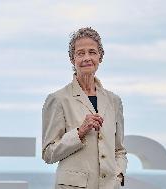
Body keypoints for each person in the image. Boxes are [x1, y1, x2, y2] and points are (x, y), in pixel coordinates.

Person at [42, 27, 128, 189]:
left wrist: (119, 175)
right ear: (72, 59)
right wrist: (80, 132)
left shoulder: (114, 101)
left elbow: (119, 150)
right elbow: (48, 154)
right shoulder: (58, 99)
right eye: (80, 53)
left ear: (100, 57)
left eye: (92, 52)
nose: (87, 58)